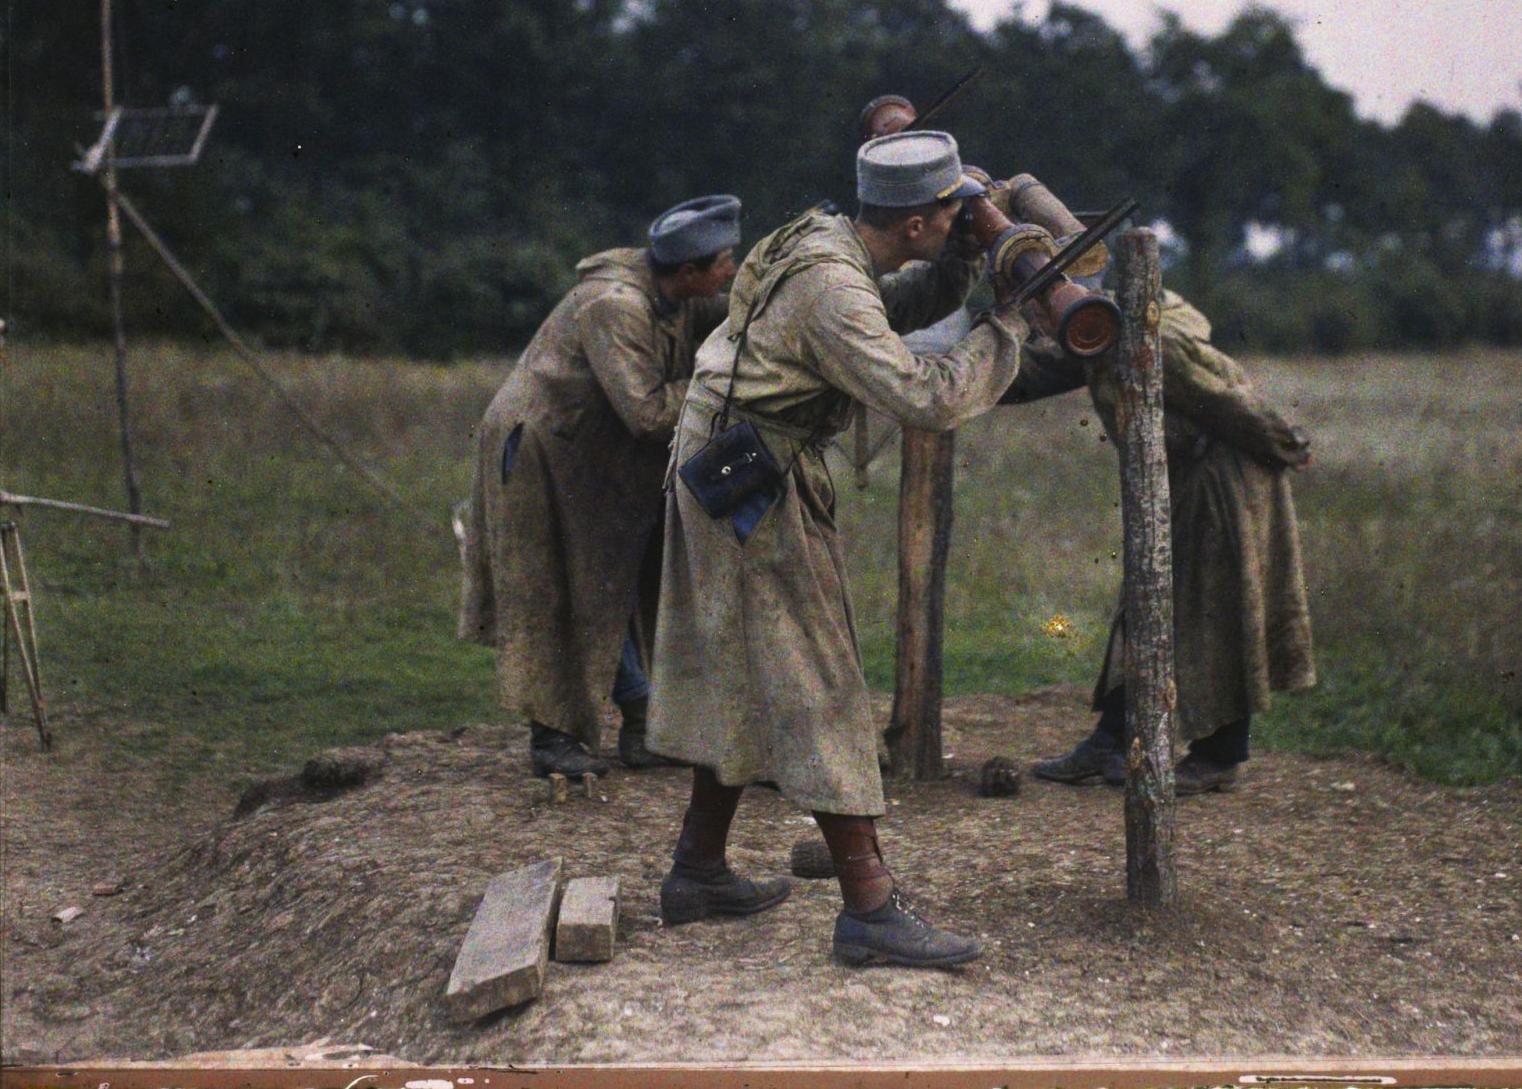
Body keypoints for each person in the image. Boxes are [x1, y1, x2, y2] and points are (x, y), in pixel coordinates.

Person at [645, 130, 1024, 969]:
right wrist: (1009, 320)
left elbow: (888, 306)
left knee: (750, 666)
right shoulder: (831, 288)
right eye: (951, 213)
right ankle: (870, 908)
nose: (963, 219)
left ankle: (698, 868)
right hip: (750, 477)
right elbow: (924, 394)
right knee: (819, 680)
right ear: (919, 223)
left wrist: (962, 270)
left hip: (730, 454)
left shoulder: (818, 234)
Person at [459, 195, 743, 778]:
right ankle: (552, 738)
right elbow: (645, 412)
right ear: (688, 272)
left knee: (615, 582)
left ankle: (644, 719)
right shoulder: (615, 304)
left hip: (586, 454)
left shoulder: (673, 295)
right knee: (553, 588)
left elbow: (742, 313)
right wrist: (725, 387)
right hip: (540, 453)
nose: (731, 272)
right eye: (724, 263)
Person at [1007, 283, 1317, 795]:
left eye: (1036, 309)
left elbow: (1228, 400)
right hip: (1178, 478)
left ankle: (1220, 756)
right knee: (1147, 602)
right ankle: (1114, 736)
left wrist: (1287, 443)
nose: (1035, 322)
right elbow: (1032, 373)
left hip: (1222, 479)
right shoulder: (1093, 336)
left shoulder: (1156, 338)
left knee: (1213, 607)